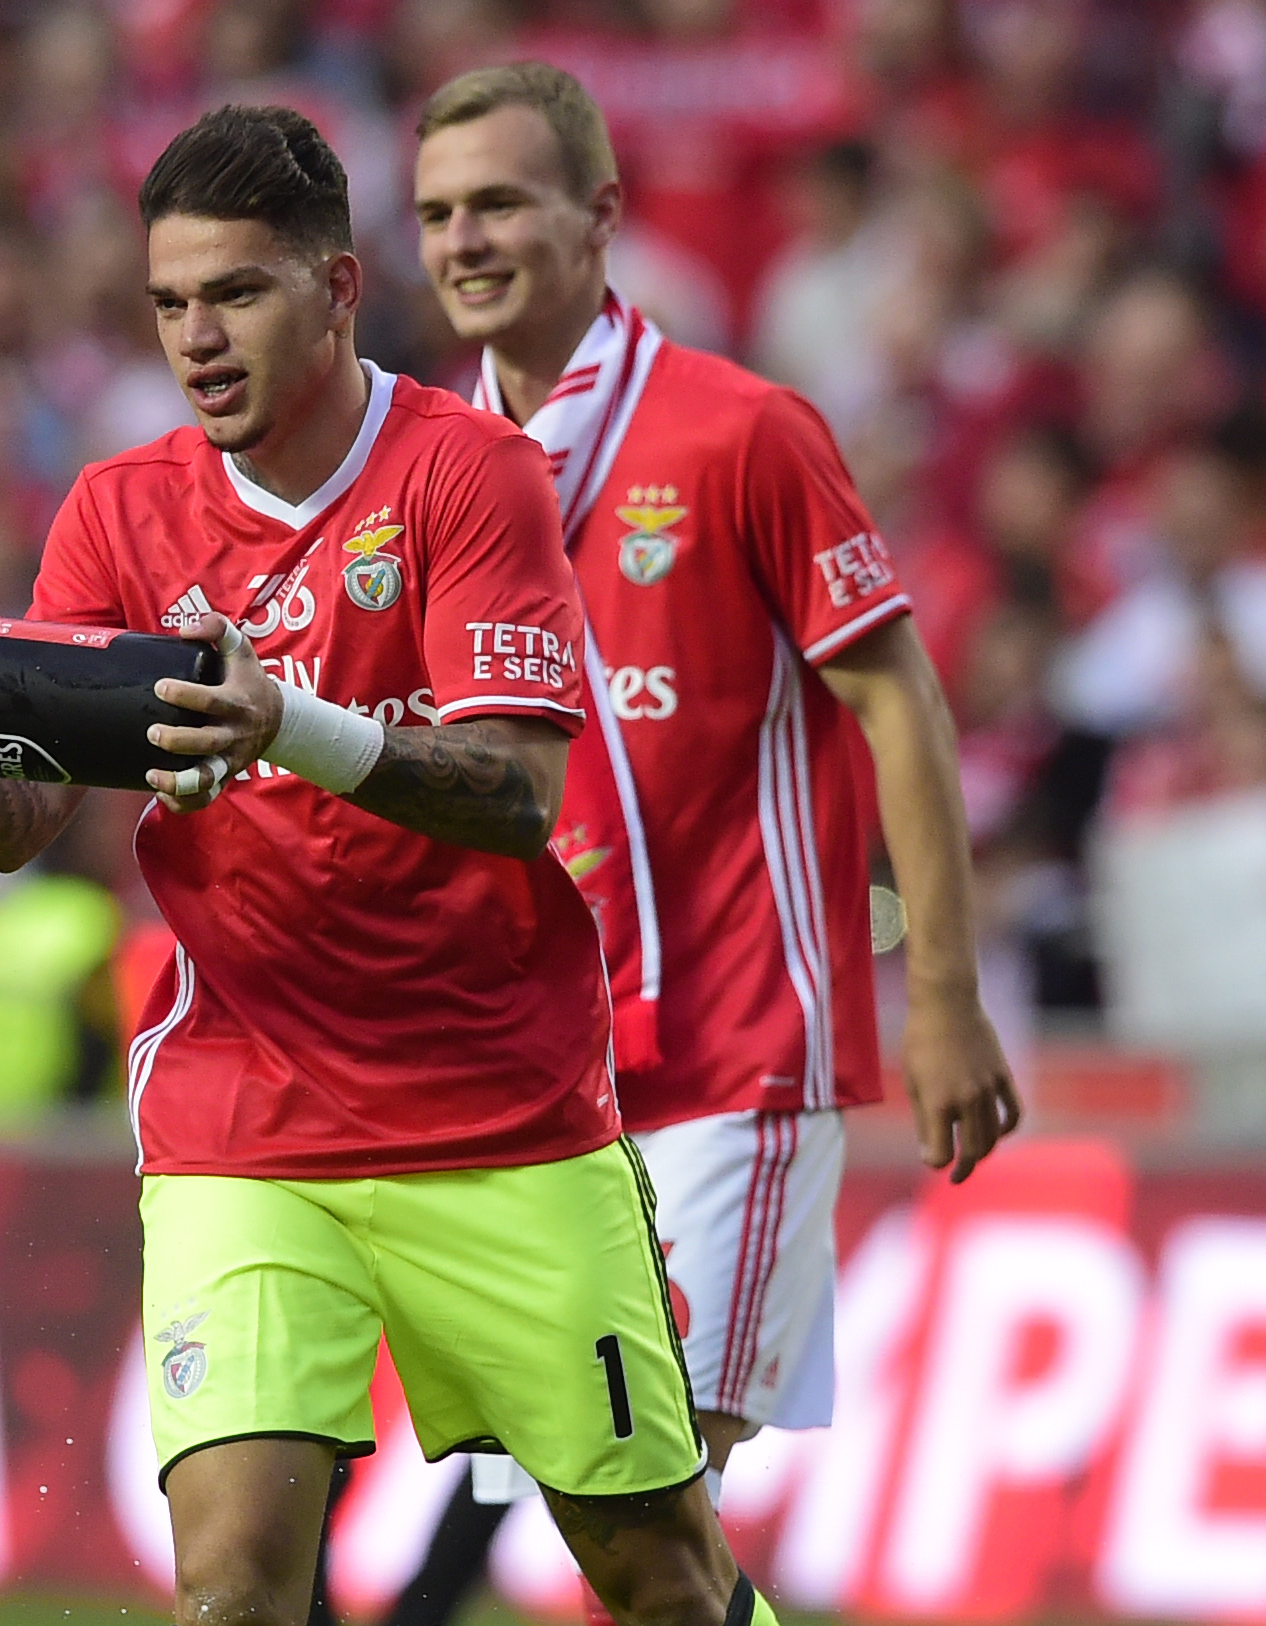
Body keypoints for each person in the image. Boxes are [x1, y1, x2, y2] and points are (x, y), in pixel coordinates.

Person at [0, 104, 783, 1626]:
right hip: (242, 1123)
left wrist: (286, 719)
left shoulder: (470, 478)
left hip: (499, 1117)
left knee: (656, 1578)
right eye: (168, 303)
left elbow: (519, 793)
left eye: (236, 293)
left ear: (334, 286)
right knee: (232, 1590)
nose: (196, 337)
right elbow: (15, 815)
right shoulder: (118, 513)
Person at [380, 60, 1023, 1618]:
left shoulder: (741, 431)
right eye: (436, 213)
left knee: (656, 1506)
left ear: (598, 214)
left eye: (500, 203)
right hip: (539, 1071)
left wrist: (939, 993)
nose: (464, 240)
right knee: (622, 1534)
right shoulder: (415, 478)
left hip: (743, 1044)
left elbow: (897, 704)